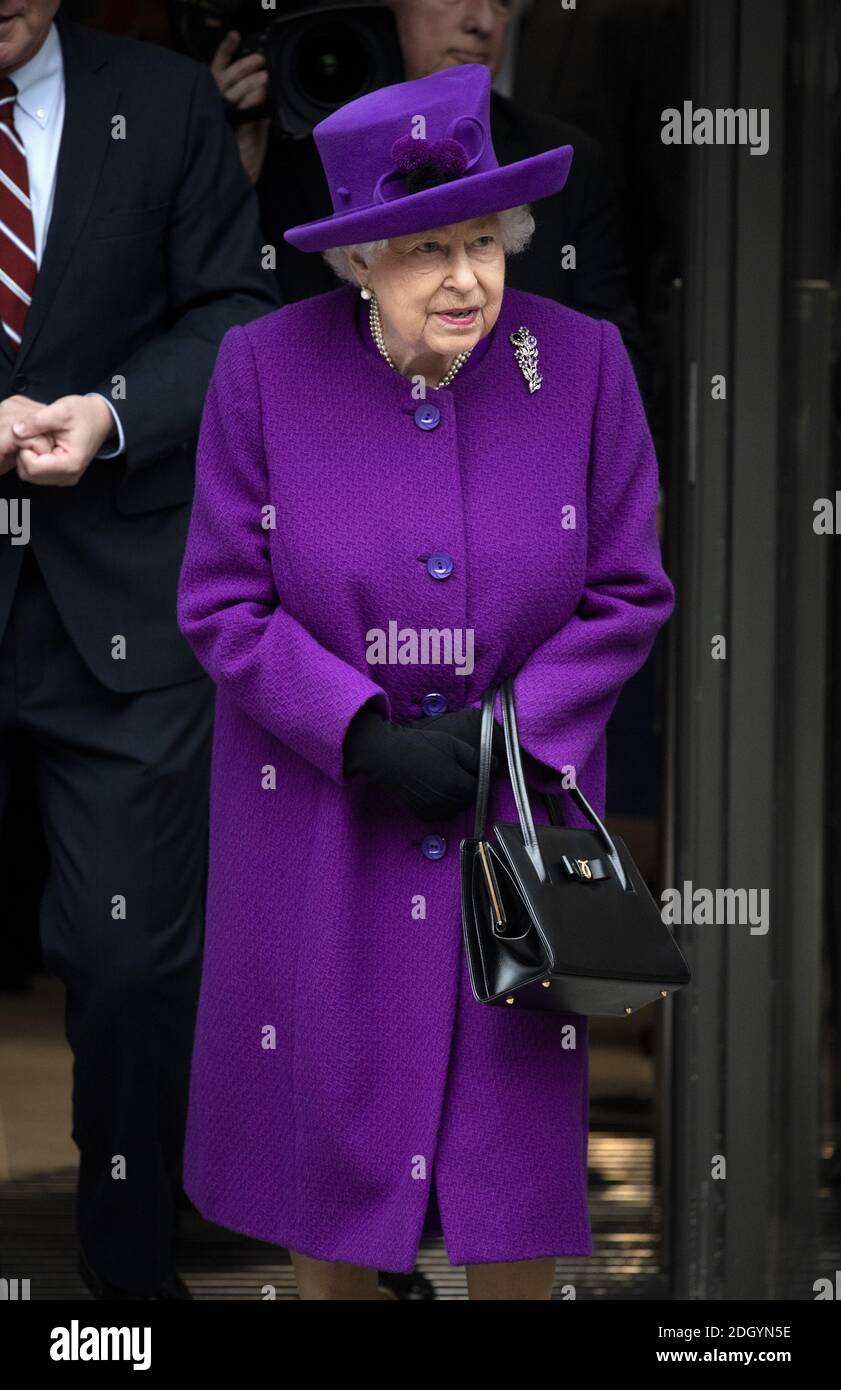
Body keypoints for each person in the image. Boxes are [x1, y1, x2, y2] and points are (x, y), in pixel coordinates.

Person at [177, 62, 674, 1300]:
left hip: (512, 829)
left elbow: (627, 589)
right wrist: (356, 734)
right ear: (357, 265)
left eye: (482, 243)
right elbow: (222, 600)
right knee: (331, 1164)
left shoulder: (586, 364)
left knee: (508, 1185)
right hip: (327, 828)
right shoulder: (261, 369)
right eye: (423, 252)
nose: (466, 278)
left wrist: (516, 733)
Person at [0, 1, 279, 1299]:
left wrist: (110, 413)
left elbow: (233, 309)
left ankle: (128, 1286)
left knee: (129, 959)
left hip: (117, 605)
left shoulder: (164, 104)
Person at [211, 0, 645, 382]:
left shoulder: (565, 158)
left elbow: (613, 369)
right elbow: (223, 316)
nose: (483, 22)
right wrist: (228, 171)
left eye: (502, 2)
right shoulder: (280, 150)